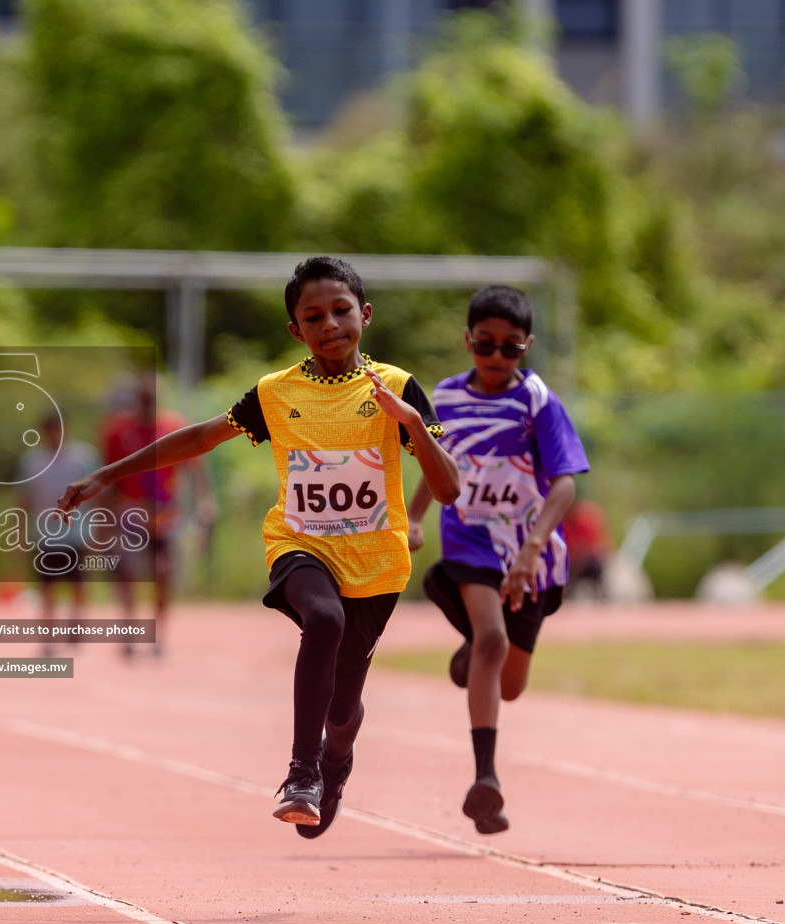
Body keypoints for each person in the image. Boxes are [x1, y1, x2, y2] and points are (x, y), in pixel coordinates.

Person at [60, 257, 459, 838]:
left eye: (341, 311)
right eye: (313, 316)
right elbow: (199, 436)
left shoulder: (395, 388)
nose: (330, 325)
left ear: (365, 316)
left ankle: (335, 761)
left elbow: (447, 490)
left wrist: (413, 426)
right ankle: (301, 774)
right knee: (322, 619)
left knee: (342, 712)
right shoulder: (277, 393)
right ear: (296, 330)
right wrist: (109, 474)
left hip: (376, 563)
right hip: (299, 545)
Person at [406, 285, 589, 835]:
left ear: (526, 347)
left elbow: (564, 487)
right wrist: (415, 517)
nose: (495, 357)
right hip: (470, 538)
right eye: (485, 344)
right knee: (492, 640)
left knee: (510, 684)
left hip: (528, 548)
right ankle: (485, 779)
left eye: (510, 348)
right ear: (468, 340)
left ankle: (473, 652)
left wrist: (533, 548)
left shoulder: (537, 402)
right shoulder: (447, 398)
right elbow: (438, 465)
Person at [99, 379, 213, 656]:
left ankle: (159, 635)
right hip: (131, 510)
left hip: (164, 511)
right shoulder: (118, 431)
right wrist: (102, 517)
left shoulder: (173, 426)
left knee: (163, 572)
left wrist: (205, 501)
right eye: (143, 398)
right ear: (137, 399)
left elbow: (195, 466)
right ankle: (129, 631)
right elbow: (107, 475)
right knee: (127, 571)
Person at [18, 413, 99, 655]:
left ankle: (76, 624)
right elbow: (23, 500)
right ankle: (49, 638)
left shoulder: (83, 458)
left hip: (75, 532)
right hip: (44, 535)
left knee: (78, 584)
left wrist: (98, 529)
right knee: (47, 588)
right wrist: (20, 535)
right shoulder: (32, 462)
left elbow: (98, 496)